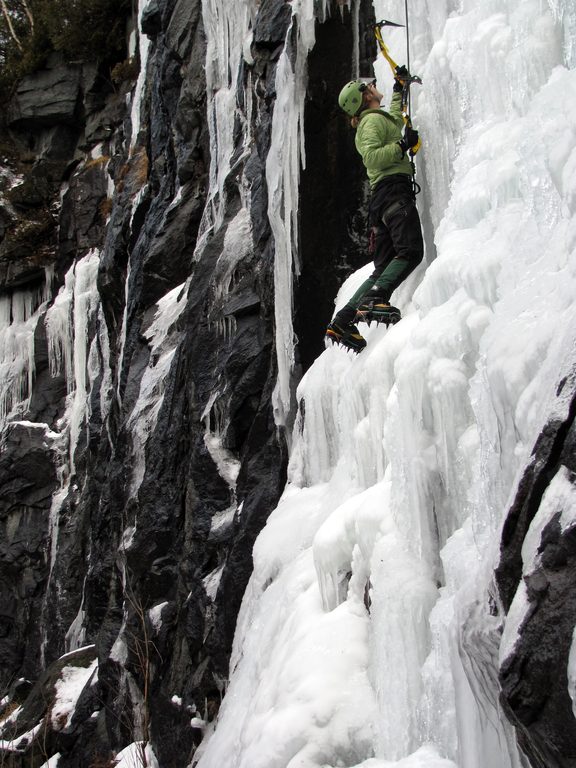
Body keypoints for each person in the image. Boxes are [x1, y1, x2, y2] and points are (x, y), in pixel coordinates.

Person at [326, 72, 424, 352]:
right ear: (364, 97)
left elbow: (392, 121)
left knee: (383, 266)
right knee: (410, 251)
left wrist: (399, 90)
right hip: (393, 192)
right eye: (368, 86)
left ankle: (344, 320)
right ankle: (376, 298)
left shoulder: (375, 120)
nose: (373, 85)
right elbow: (371, 156)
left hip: (382, 200)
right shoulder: (369, 124)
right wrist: (402, 146)